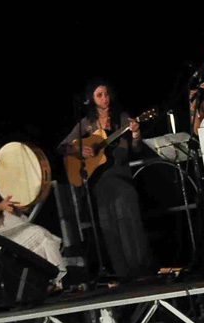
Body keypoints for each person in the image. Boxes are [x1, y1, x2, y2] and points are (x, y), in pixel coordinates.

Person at [59, 81, 157, 279]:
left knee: (129, 222)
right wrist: (78, 149)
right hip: (99, 180)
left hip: (121, 176)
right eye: (99, 95)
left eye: (106, 94)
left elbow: (136, 148)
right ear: (91, 99)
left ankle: (141, 269)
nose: (105, 98)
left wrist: (136, 133)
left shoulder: (122, 118)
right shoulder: (86, 123)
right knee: (109, 226)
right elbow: (63, 147)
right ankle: (123, 273)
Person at [0, 139, 65, 287]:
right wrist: (0, 206)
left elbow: (20, 201)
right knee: (41, 235)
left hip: (16, 223)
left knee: (45, 241)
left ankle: (55, 281)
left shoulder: (8, 174)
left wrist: (22, 206)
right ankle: (54, 280)